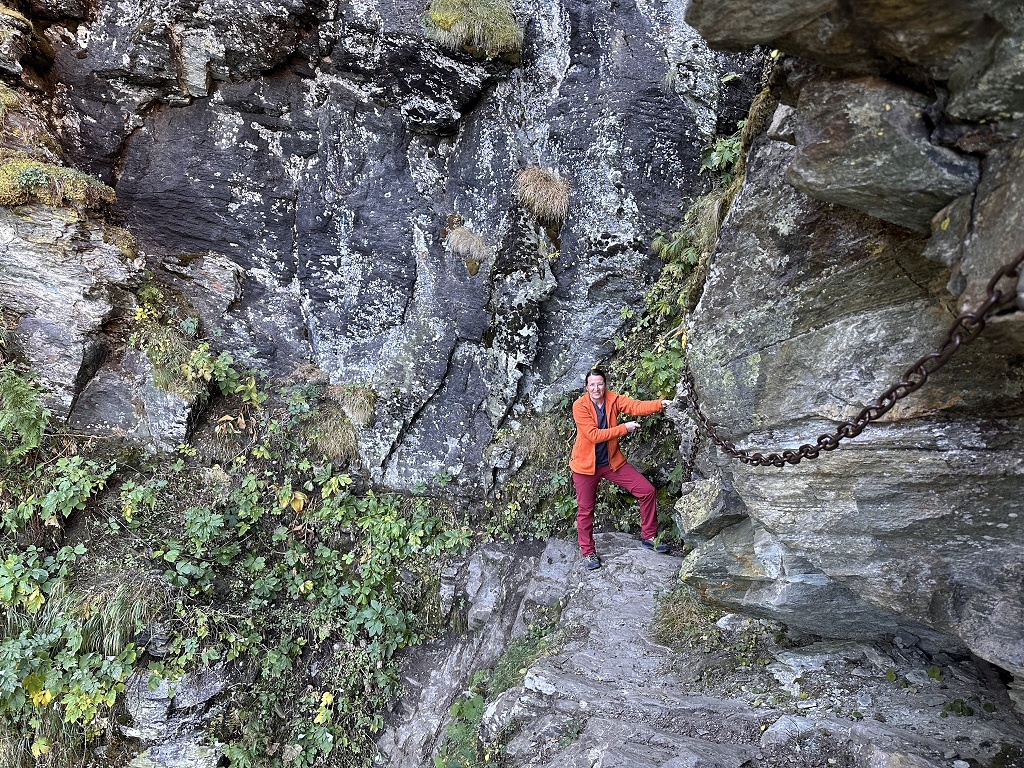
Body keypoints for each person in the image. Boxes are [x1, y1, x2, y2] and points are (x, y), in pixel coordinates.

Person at [569, 368, 672, 570]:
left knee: (647, 490)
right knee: (586, 510)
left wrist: (660, 404)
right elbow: (593, 435)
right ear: (586, 387)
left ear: (605, 384)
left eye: (600, 384)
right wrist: (624, 428)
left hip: (611, 462)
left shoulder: (612, 399)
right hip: (585, 467)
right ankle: (588, 552)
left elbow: (635, 406)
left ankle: (649, 537)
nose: (596, 388)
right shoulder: (579, 405)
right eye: (592, 385)